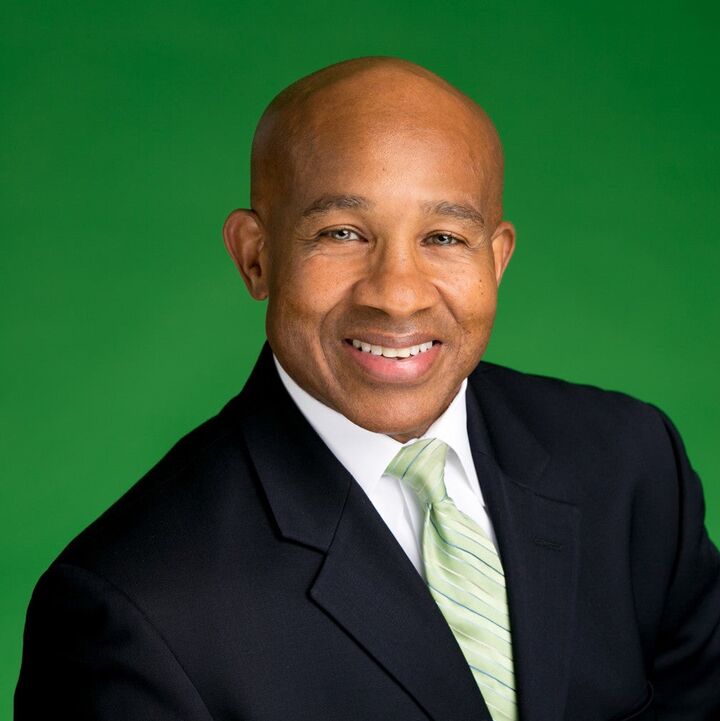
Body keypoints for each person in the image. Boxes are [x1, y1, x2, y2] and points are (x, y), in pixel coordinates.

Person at [15, 57, 720, 721]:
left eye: (444, 237)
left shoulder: (632, 466)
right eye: (343, 233)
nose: (398, 294)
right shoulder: (132, 606)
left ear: (496, 259)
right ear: (256, 257)